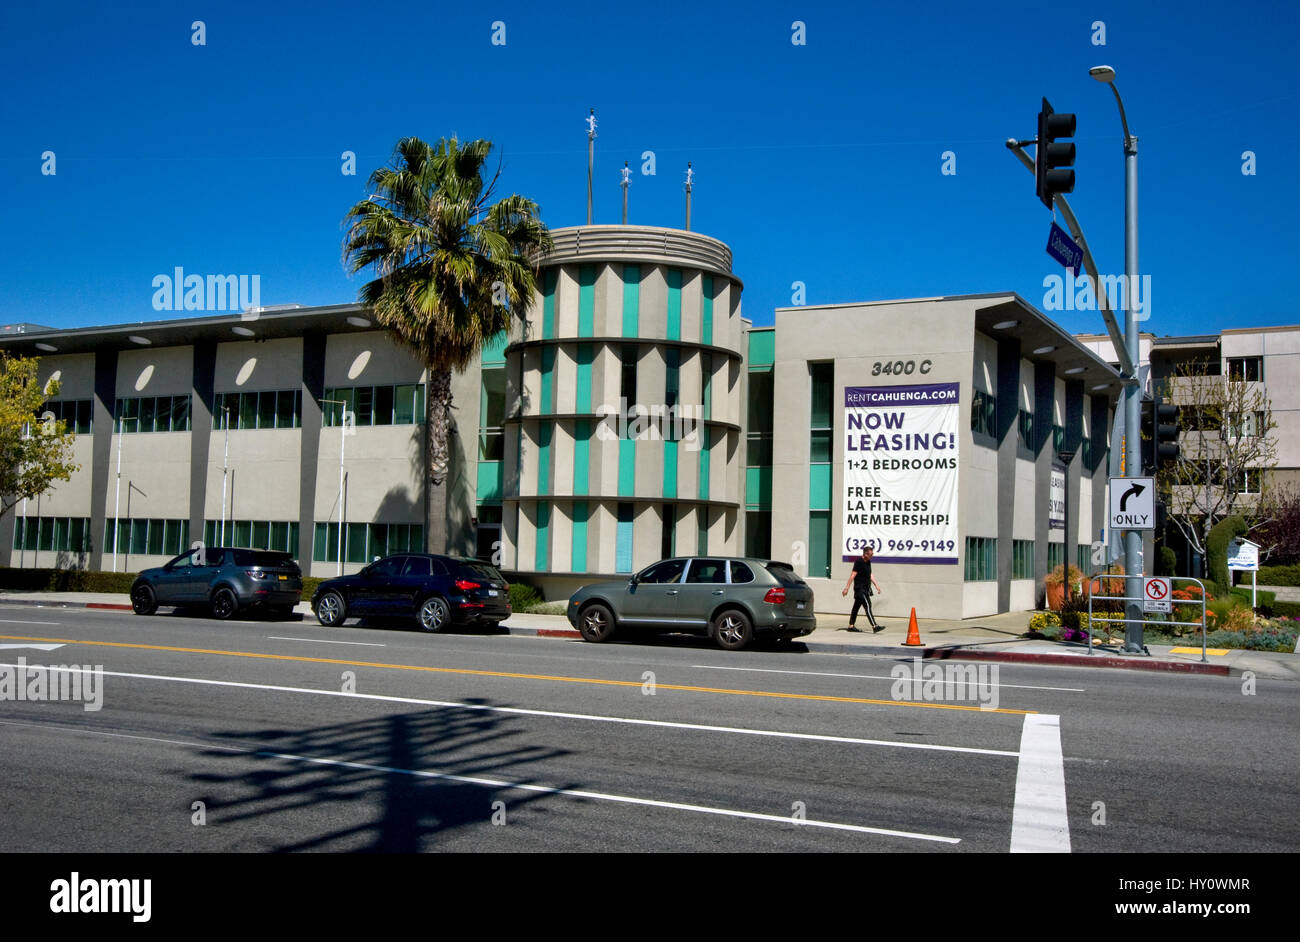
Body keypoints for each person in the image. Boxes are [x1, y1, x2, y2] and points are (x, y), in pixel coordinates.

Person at [841, 546, 883, 632]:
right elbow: (853, 575)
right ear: (865, 554)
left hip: (866, 589)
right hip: (860, 589)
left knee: (856, 607)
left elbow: (870, 574)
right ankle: (874, 626)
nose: (872, 556)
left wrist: (876, 585)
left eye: (872, 554)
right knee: (867, 605)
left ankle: (851, 626)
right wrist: (846, 588)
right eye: (871, 554)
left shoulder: (868, 562)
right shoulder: (859, 562)